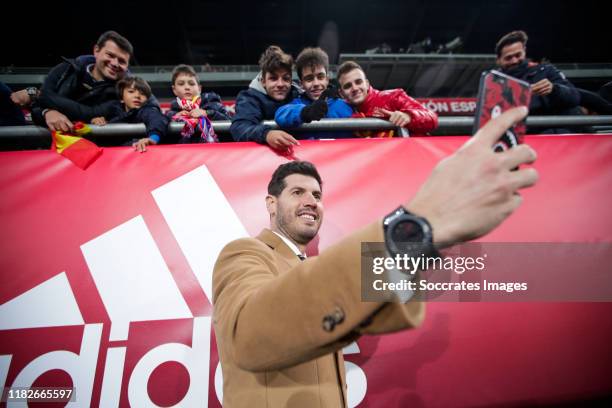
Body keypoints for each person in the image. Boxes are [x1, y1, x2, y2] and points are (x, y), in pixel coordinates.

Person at [213, 106, 538, 407]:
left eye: (316, 195)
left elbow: (382, 309)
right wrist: (414, 222)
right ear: (271, 204)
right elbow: (248, 336)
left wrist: (428, 239)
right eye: (297, 193)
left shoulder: (315, 270)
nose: (311, 201)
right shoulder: (244, 253)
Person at [31, 31, 132, 132]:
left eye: (122, 61)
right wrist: (47, 112)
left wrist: (42, 97)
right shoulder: (66, 69)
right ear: (96, 50)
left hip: (95, 145)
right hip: (52, 144)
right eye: (110, 55)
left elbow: (90, 114)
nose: (115, 63)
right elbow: (36, 106)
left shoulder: (125, 90)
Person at [495, 30, 581, 121]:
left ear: (524, 51)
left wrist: (554, 89)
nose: (514, 61)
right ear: (499, 60)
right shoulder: (493, 83)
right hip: (522, 132)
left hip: (557, 131)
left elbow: (575, 98)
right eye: (508, 58)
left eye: (518, 55)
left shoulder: (546, 71)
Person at [336, 61, 438, 137]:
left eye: (358, 82)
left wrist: (409, 116)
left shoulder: (393, 96)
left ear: (367, 84)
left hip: (414, 159)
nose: (355, 88)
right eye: (348, 86)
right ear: (341, 93)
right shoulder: (342, 112)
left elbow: (432, 118)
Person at [230, 45, 300, 150]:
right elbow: (239, 127)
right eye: (273, 78)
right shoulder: (249, 98)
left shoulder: (297, 95)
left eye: (285, 78)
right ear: (263, 81)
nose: (280, 84)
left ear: (291, 81)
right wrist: (267, 134)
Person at [275, 47, 353, 139]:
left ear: (327, 79)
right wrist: (305, 112)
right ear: (301, 84)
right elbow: (280, 114)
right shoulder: (296, 104)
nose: (316, 83)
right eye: (309, 78)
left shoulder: (345, 106)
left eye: (320, 77)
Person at [92, 76, 168, 153]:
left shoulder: (147, 111)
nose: (137, 96)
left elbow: (157, 119)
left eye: (142, 93)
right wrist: (97, 122)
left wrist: (153, 138)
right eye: (131, 91)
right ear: (121, 98)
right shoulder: (111, 111)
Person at [166, 64, 231, 143]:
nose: (187, 87)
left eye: (191, 83)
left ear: (199, 88)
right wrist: (175, 119)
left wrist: (208, 113)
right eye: (181, 84)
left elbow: (232, 125)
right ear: (174, 89)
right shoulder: (170, 114)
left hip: (214, 153)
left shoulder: (214, 104)